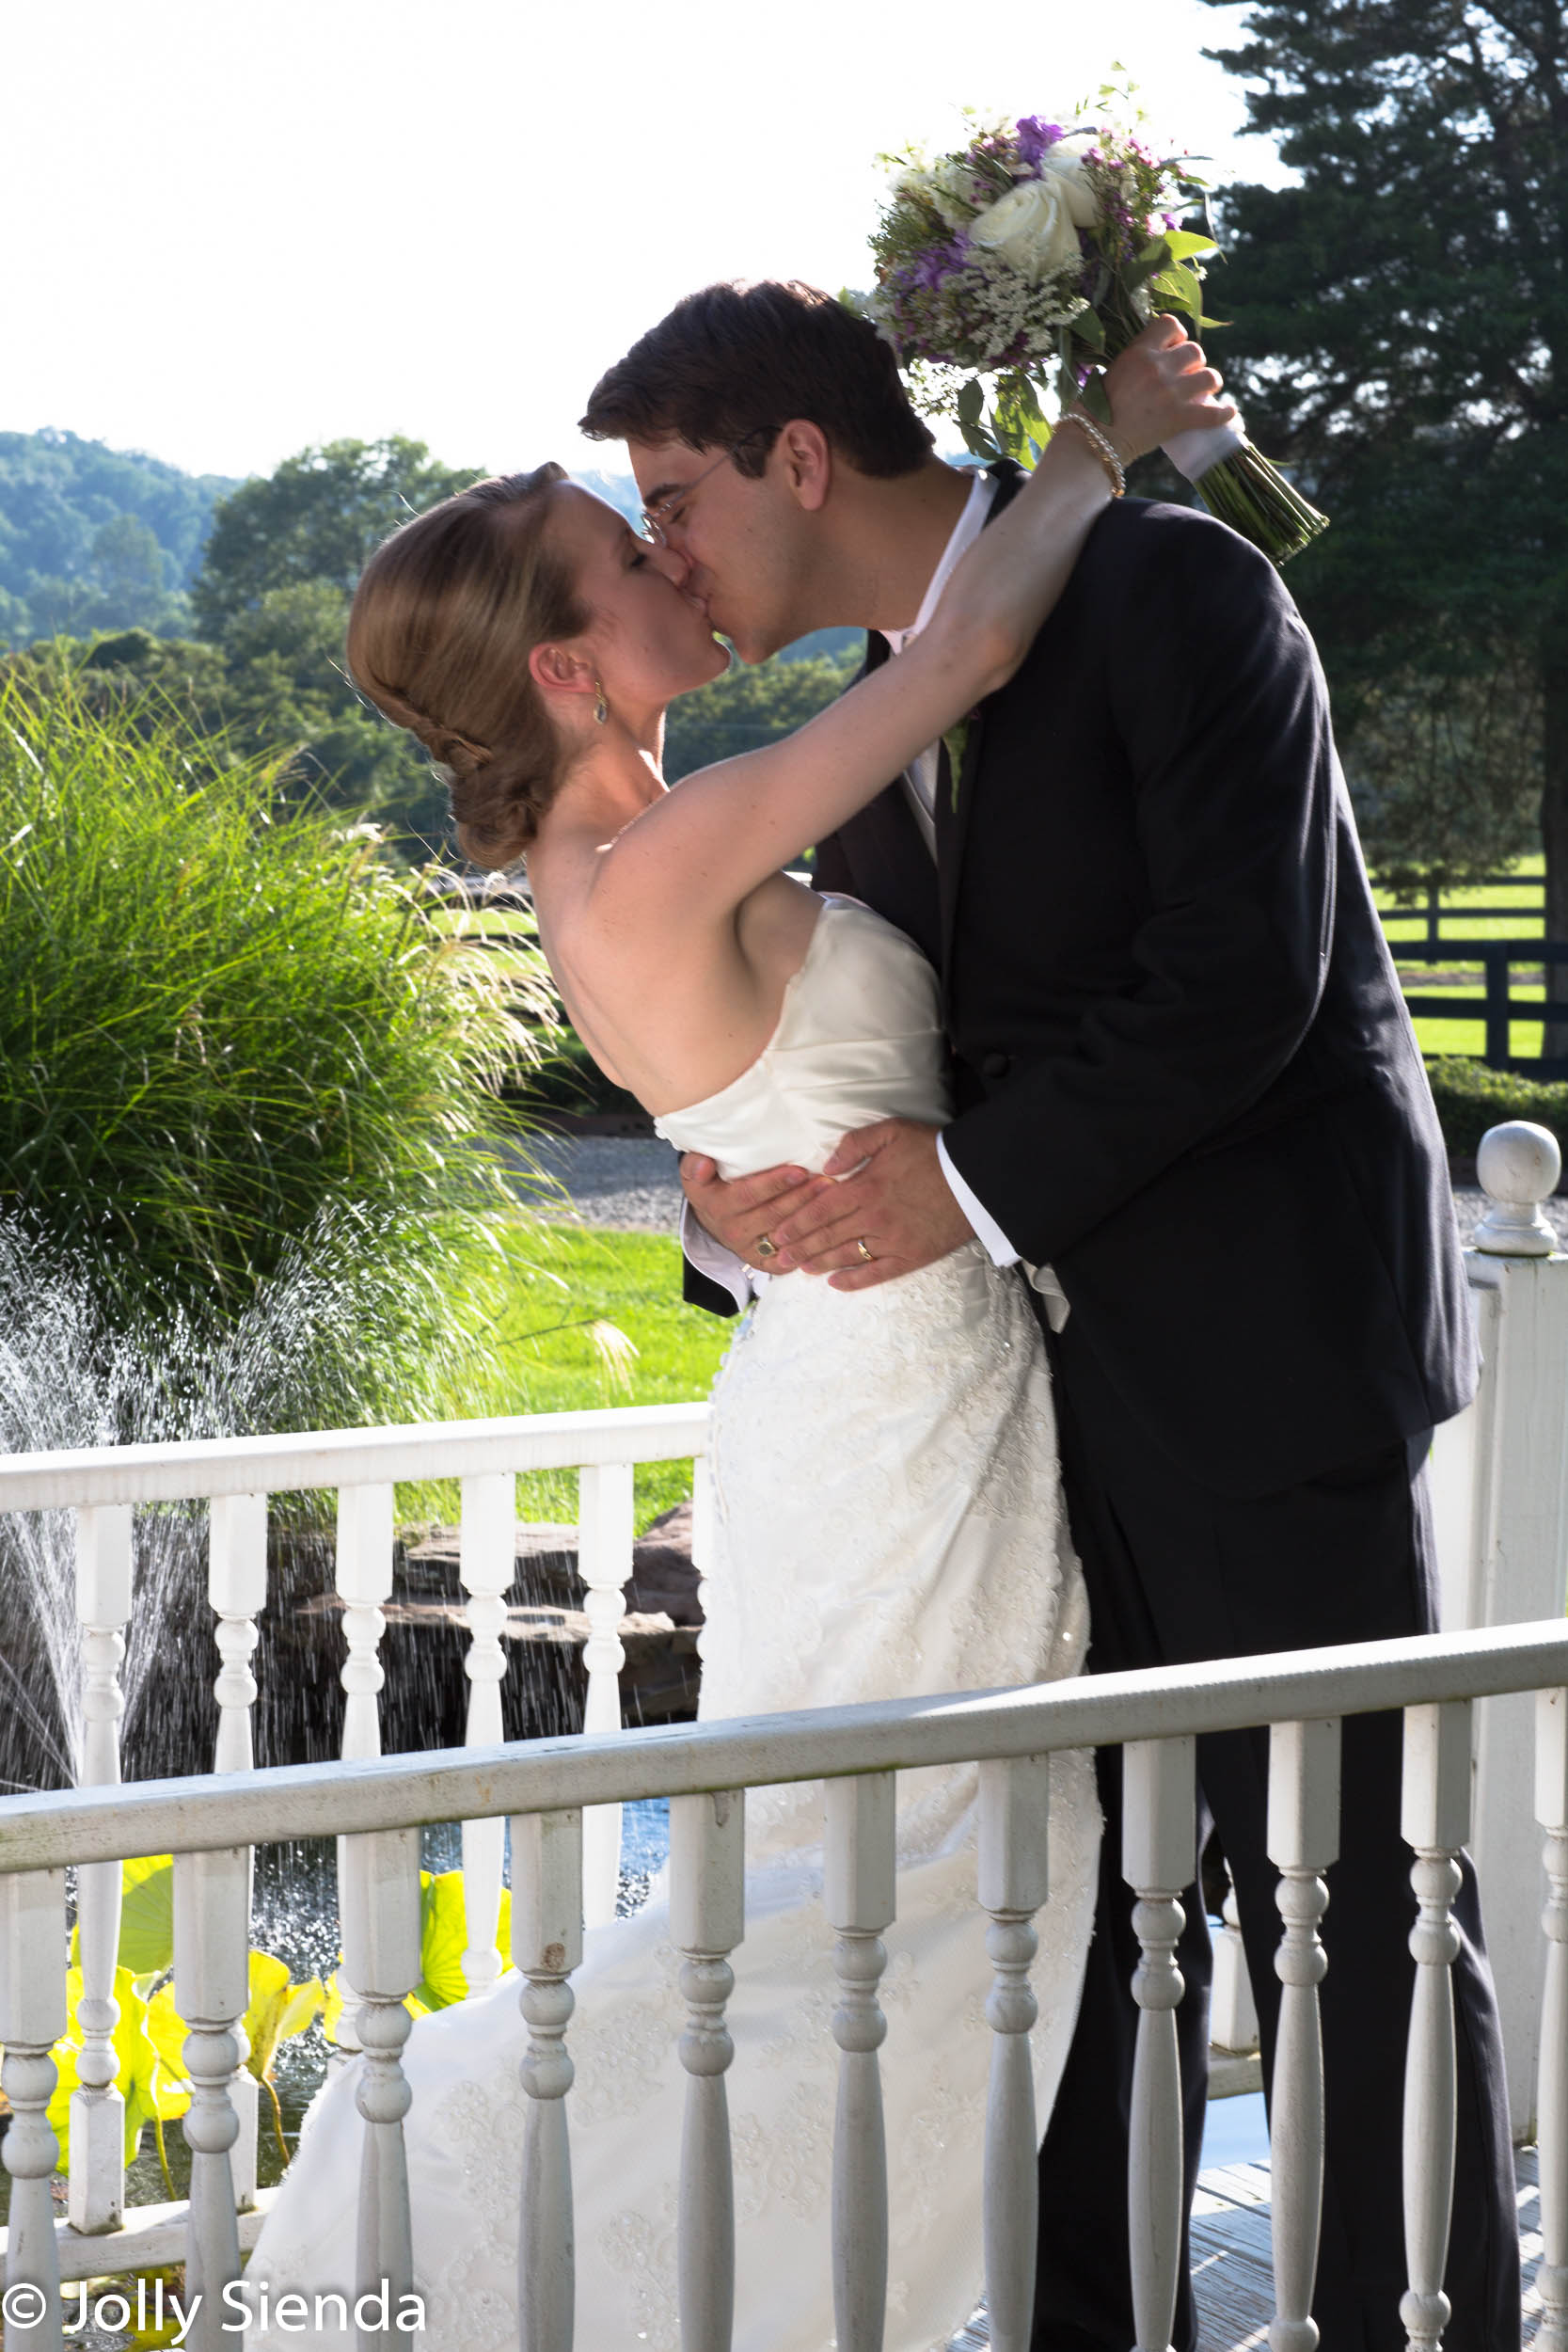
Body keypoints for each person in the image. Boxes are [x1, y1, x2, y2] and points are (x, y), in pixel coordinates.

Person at [242, 324, 1223, 2351]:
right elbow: (950, 665)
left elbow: (743, 1103)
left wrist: (711, 1191)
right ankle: (500, 2230)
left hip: (856, 1380)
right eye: (629, 554)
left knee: (854, 1876)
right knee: (903, 1884)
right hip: (887, 1403)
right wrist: (1099, 439)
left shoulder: (615, 855)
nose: (672, 565)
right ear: (565, 671)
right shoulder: (660, 853)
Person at [576, 280, 1520, 2351]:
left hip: (1268, 1363)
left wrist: (969, 1192)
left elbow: (1237, 976)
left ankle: (1406, 2321)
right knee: (1083, 1913)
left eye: (671, 498)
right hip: (1007, 1420)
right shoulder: (872, 712)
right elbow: (851, 1055)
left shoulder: (1179, 589)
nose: (662, 554)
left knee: (1346, 1891)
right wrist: (743, 1214)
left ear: (794, 457)